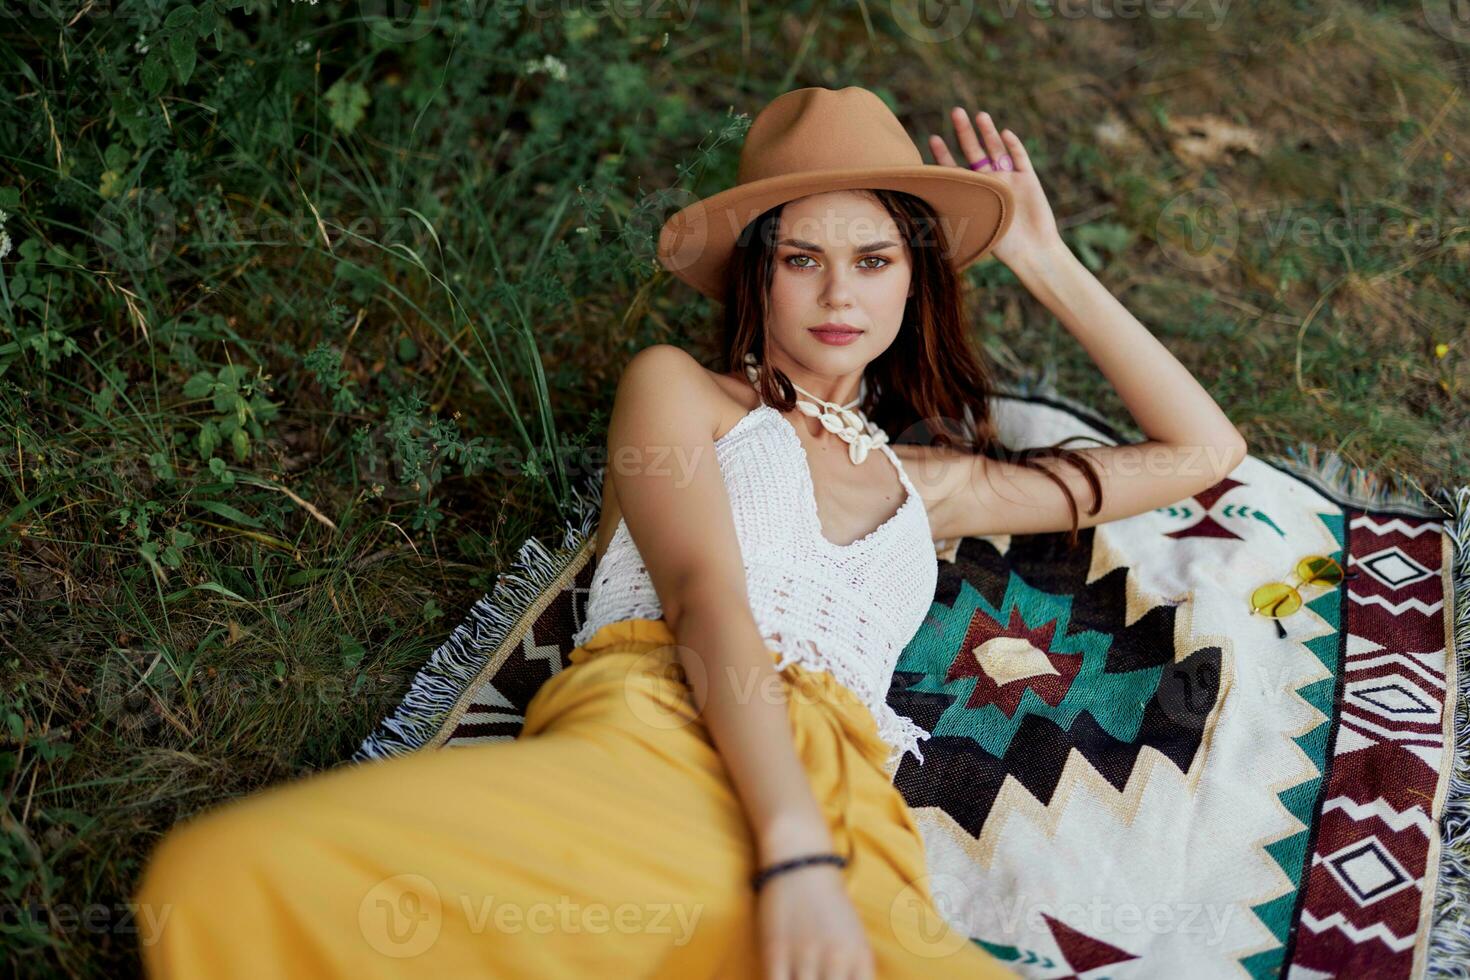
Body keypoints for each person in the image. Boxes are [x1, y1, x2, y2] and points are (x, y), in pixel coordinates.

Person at [132, 86, 1247, 979]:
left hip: (853, 804)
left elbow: (1201, 453)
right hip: (658, 739)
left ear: (917, 275)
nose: (837, 292)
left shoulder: (930, 487)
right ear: (755, 273)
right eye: (800, 257)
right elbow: (710, 595)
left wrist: (1046, 260)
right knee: (227, 874)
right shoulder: (683, 395)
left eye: (874, 258)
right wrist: (792, 851)